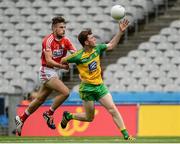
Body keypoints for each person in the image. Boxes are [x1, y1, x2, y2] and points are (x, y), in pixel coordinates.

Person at [60, 19, 135, 141]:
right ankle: (69, 116)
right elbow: (62, 61)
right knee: (89, 118)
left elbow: (111, 45)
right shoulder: (78, 56)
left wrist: (120, 32)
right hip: (87, 89)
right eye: (92, 38)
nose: (95, 39)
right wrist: (66, 67)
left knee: (113, 109)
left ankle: (126, 135)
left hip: (100, 86)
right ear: (86, 42)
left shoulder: (97, 48)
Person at [15, 16, 77, 136]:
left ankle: (21, 119)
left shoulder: (66, 41)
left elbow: (75, 54)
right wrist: (62, 66)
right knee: (65, 92)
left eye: (64, 27)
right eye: (61, 27)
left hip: (54, 71)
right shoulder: (48, 41)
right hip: (46, 70)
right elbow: (48, 61)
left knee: (39, 99)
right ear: (54, 28)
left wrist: (81, 58)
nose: (63, 30)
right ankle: (49, 113)